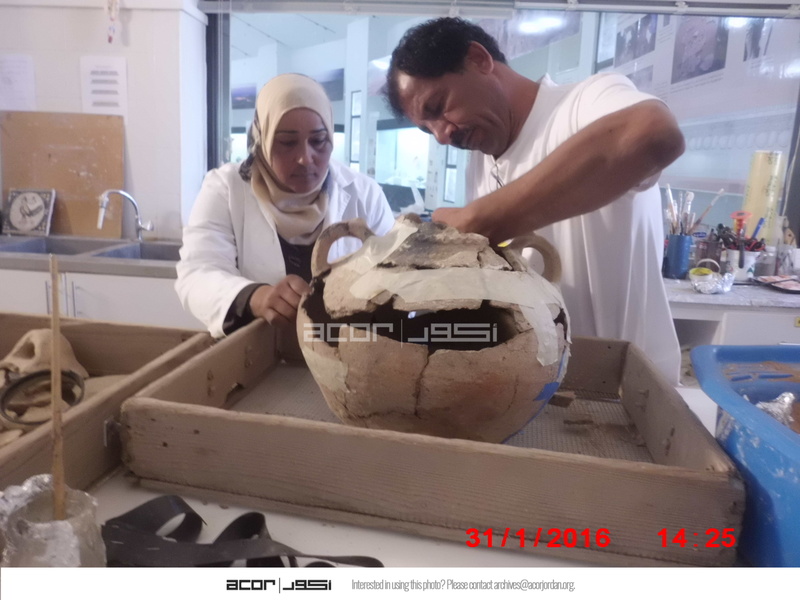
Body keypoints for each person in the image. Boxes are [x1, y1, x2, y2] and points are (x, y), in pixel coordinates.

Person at [385, 17, 685, 384]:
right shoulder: (480, 164)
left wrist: (483, 220)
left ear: (478, 60)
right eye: (426, 129)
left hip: (621, 386)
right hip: (540, 384)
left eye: (437, 107)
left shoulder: (583, 103)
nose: (442, 136)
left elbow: (653, 133)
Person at [176, 73, 395, 340]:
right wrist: (255, 297)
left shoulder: (365, 195)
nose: (305, 158)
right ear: (263, 139)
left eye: (318, 140)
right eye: (287, 142)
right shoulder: (226, 189)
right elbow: (196, 274)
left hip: (347, 352)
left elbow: (394, 277)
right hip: (255, 353)